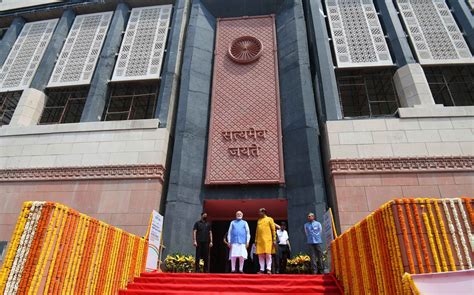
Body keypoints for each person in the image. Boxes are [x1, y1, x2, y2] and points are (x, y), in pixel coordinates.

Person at [255, 208, 276, 274]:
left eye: (260, 212)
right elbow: (257, 232)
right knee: (260, 255)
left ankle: (268, 269)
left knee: (268, 255)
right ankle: (261, 269)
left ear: (264, 212)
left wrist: (274, 239)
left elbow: (273, 230)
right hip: (260, 240)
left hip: (268, 240)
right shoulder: (259, 221)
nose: (259, 213)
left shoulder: (270, 219)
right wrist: (256, 240)